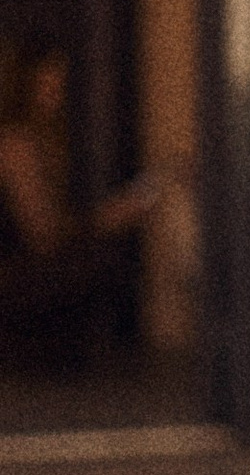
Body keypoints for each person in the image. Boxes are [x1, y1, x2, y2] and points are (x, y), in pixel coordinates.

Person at [0, 37, 162, 353]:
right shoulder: (16, 145)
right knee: (107, 261)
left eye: (60, 86)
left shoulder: (47, 141)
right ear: (26, 88)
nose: (57, 97)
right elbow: (44, 234)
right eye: (47, 87)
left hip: (34, 262)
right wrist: (107, 218)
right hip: (15, 274)